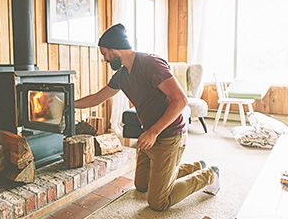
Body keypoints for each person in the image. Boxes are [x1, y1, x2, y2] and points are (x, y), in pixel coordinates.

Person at [75, 23, 220, 211]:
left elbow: (181, 100)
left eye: (105, 54)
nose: (104, 59)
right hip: (149, 137)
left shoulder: (150, 63)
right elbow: (97, 97)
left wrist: (153, 132)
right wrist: (69, 105)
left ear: (115, 49)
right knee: (142, 185)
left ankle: (209, 174)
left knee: (158, 202)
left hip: (169, 135)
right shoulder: (121, 76)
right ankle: (196, 166)